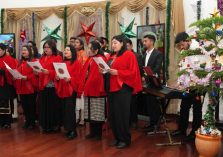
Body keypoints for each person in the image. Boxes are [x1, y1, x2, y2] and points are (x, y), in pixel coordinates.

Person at [104, 35, 142, 149]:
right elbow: (109, 70)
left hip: (123, 89)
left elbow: (133, 72)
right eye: (112, 43)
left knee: (122, 115)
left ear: (122, 43)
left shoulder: (129, 54)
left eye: (115, 43)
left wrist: (118, 72)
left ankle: (125, 139)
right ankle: (117, 138)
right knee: (113, 115)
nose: (113, 45)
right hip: (111, 88)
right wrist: (104, 70)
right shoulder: (112, 55)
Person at [172, 32, 203, 141]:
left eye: (182, 44)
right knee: (184, 106)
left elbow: (199, 68)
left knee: (196, 109)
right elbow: (183, 69)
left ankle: (194, 133)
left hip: (198, 85)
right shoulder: (185, 51)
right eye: (180, 45)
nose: (181, 47)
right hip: (187, 85)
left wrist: (189, 82)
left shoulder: (198, 48)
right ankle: (182, 129)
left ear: (187, 40)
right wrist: (180, 82)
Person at [78, 41, 107, 140]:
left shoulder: (101, 59)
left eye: (91, 48)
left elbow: (101, 74)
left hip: (97, 89)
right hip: (89, 88)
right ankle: (92, 132)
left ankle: (98, 134)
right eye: (88, 48)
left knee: (97, 113)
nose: (89, 50)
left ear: (97, 50)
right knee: (90, 112)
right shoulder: (90, 59)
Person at [55, 45, 82, 139]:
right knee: (64, 110)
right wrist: (57, 78)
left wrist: (70, 79)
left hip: (71, 89)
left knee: (70, 111)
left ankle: (73, 131)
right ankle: (67, 129)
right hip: (62, 89)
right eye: (65, 49)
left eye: (68, 50)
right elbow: (58, 74)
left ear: (72, 52)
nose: (65, 51)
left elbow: (78, 77)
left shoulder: (77, 63)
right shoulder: (61, 62)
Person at [36, 39, 62, 133]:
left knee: (52, 106)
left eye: (48, 47)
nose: (46, 49)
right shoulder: (42, 58)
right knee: (44, 106)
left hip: (52, 85)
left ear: (53, 48)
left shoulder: (58, 57)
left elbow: (60, 71)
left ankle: (54, 125)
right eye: (44, 47)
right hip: (43, 84)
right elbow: (40, 69)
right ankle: (45, 125)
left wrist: (49, 72)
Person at [142, 34, 163, 132]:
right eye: (144, 41)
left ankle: (156, 124)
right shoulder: (145, 53)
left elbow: (157, 68)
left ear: (151, 42)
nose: (144, 43)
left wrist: (148, 74)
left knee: (154, 104)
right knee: (148, 103)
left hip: (155, 82)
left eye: (145, 41)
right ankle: (152, 123)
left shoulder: (158, 54)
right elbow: (143, 67)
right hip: (147, 82)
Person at [14, 45, 36, 129]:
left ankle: (32, 122)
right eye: (22, 50)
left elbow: (35, 74)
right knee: (25, 106)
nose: (23, 51)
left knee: (31, 105)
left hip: (30, 87)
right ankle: (27, 121)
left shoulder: (33, 61)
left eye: (25, 50)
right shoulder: (20, 62)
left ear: (29, 52)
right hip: (21, 87)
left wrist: (27, 77)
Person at [125, 38, 143, 129]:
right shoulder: (122, 55)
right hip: (125, 82)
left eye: (127, 46)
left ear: (131, 46)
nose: (126, 47)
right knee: (126, 104)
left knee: (133, 103)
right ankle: (127, 121)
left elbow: (139, 69)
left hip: (133, 82)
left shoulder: (137, 55)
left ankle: (134, 121)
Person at [0, 43, 17, 128]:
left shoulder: (9, 59)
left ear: (4, 50)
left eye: (0, 50)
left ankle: (7, 121)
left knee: (6, 103)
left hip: (6, 85)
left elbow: (13, 72)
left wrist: (3, 72)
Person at [74, 38, 87, 126]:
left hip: (82, 80)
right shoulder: (73, 54)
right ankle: (76, 118)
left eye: (77, 42)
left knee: (81, 100)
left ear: (81, 45)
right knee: (75, 100)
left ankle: (82, 119)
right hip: (74, 79)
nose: (75, 44)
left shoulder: (84, 54)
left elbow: (85, 68)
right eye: (74, 42)